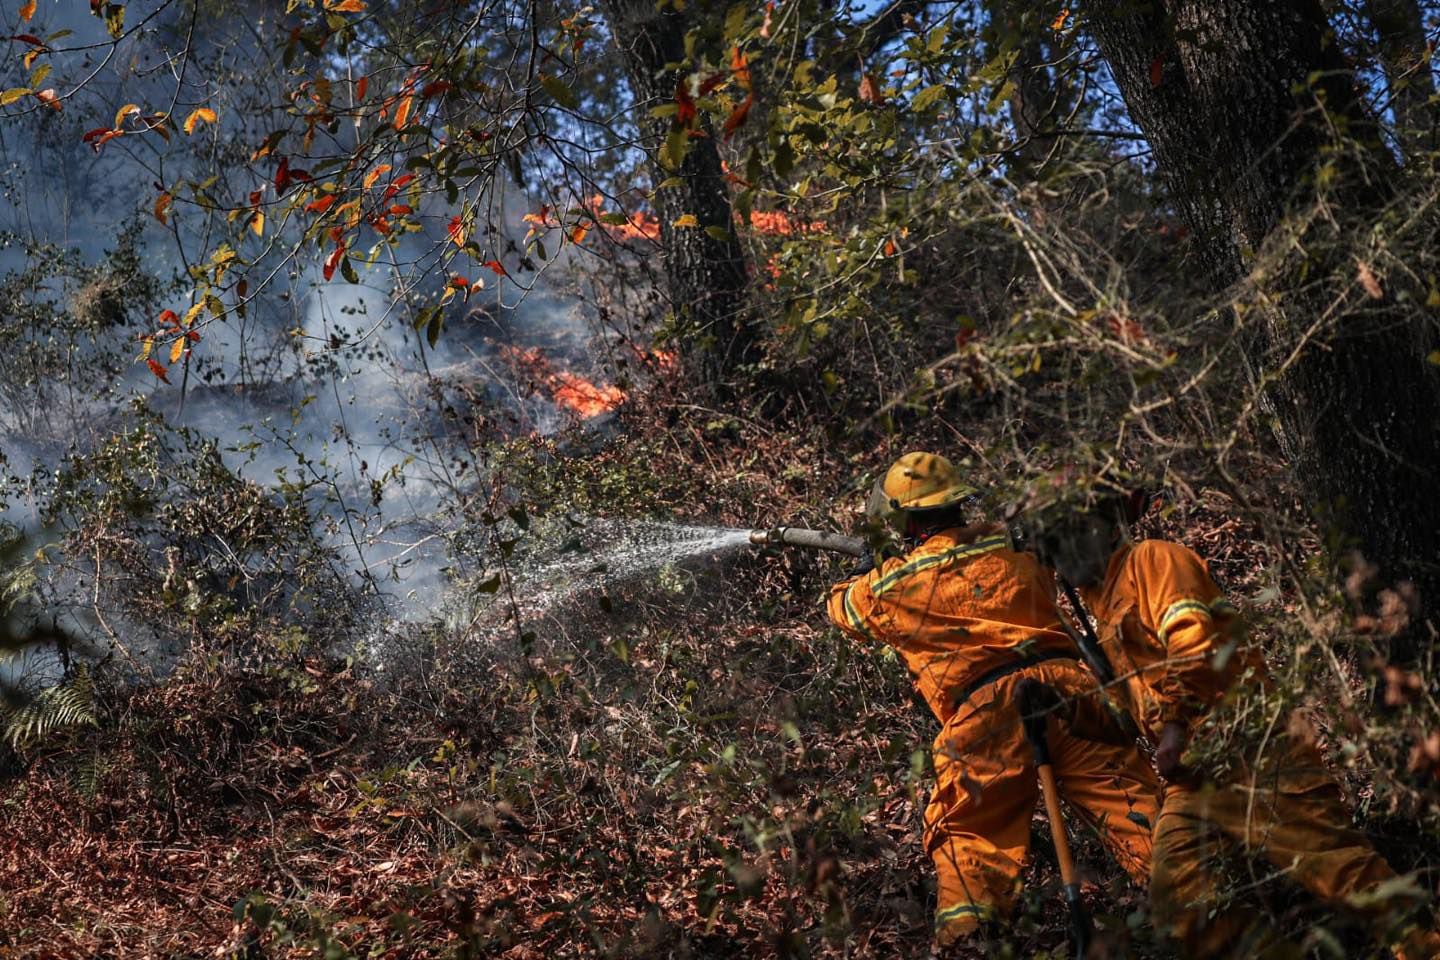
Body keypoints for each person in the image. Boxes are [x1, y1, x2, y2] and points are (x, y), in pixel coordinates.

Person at [1027, 490, 1438, 958]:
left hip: (1247, 747)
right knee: (1180, 903)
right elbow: (1126, 719)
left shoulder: (1152, 561)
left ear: (1102, 524)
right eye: (1053, 547)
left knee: (1342, 873)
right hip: (1191, 778)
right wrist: (1060, 704)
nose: (1063, 556)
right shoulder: (1101, 613)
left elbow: (1195, 644)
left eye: (1069, 537)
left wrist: (1177, 725)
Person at [826, 452, 1160, 948]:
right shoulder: (1017, 543)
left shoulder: (894, 582)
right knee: (1137, 811)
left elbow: (843, 611)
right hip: (1071, 693)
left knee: (970, 837)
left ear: (900, 518)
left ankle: (969, 943)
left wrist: (864, 572)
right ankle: (1215, 903)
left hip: (984, 717)